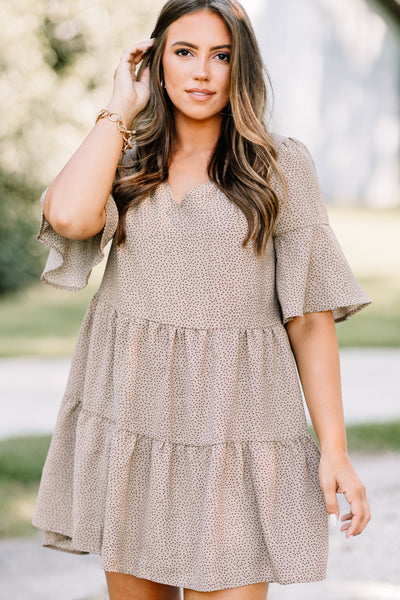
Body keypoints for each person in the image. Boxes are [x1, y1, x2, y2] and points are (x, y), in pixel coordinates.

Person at [31, 1, 372, 598]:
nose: (202, 72)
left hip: (238, 430)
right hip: (137, 423)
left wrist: (335, 450)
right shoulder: (127, 159)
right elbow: (69, 215)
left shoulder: (278, 166)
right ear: (156, 61)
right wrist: (120, 106)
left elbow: (310, 316)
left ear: (242, 69)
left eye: (222, 56)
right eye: (184, 52)